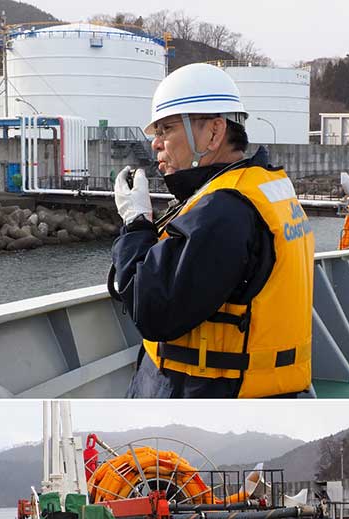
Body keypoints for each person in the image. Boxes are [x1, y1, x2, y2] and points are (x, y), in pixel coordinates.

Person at [107, 63, 314, 399]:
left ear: (214, 133)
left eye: (166, 129)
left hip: (206, 391)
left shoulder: (222, 211)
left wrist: (136, 225)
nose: (156, 144)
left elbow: (154, 311)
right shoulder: (261, 186)